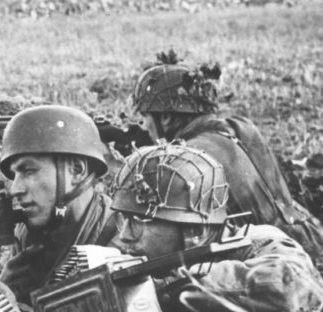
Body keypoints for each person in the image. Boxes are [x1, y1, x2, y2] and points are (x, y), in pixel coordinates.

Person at [132, 51, 323, 263]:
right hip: (309, 240)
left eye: (145, 117)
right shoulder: (242, 127)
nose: (144, 126)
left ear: (165, 117)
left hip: (271, 260)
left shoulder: (190, 160)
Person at [111, 143, 323, 312]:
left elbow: (291, 281)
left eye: (140, 221)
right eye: (122, 218)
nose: (125, 235)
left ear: (196, 229)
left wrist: (169, 290)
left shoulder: (260, 241)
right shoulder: (148, 255)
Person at [0, 105, 119, 302]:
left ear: (77, 170)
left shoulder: (120, 234)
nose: (15, 189)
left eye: (28, 171)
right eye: (14, 175)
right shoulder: (26, 232)